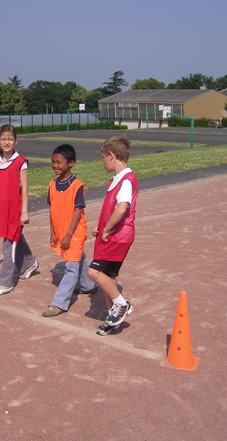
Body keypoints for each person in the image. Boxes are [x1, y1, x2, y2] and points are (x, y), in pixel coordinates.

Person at [87, 136, 139, 336]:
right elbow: (111, 209)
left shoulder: (126, 180)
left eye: (103, 157)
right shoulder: (117, 180)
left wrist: (107, 230)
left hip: (118, 235)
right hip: (113, 233)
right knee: (109, 278)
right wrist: (101, 227)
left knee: (93, 272)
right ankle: (113, 317)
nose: (102, 161)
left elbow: (122, 207)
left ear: (111, 155)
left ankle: (121, 304)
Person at [0, 124, 39, 296]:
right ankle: (30, 263)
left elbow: (26, 189)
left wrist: (24, 212)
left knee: (8, 246)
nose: (7, 142)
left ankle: (5, 282)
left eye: (10, 139)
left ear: (16, 141)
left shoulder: (20, 162)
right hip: (3, 210)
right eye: (3, 139)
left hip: (14, 211)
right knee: (15, 238)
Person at [42, 144, 96, 317]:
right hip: (61, 231)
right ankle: (88, 286)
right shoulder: (52, 185)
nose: (55, 165)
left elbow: (78, 211)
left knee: (71, 267)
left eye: (59, 162)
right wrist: (52, 232)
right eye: (53, 162)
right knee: (77, 256)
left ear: (70, 163)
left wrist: (68, 235)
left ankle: (58, 304)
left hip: (74, 232)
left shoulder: (77, 185)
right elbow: (52, 211)